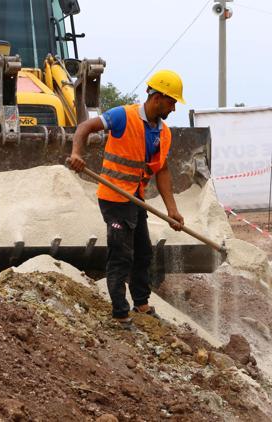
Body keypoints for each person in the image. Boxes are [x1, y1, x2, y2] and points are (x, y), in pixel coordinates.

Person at [68, 70, 186, 329]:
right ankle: (120, 314)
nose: (174, 108)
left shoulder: (162, 133)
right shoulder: (123, 115)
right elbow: (85, 127)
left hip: (134, 198)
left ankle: (141, 302)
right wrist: (77, 153)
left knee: (143, 252)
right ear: (157, 97)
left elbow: (162, 170)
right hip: (113, 196)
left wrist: (173, 211)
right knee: (121, 255)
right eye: (172, 102)